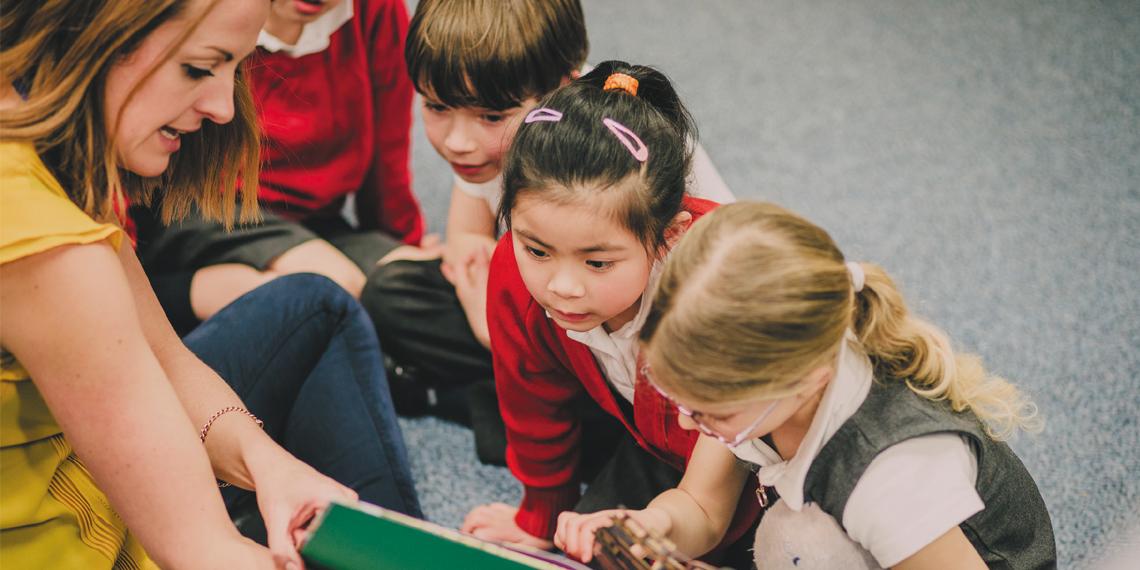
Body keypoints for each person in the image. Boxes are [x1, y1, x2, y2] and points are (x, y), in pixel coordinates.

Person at [0, 0, 417, 567]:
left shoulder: (27, 132)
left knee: (316, 304)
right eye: (199, 68)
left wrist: (270, 465)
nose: (224, 107)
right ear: (94, 31)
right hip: (89, 546)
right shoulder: (49, 250)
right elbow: (200, 552)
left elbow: (164, 361)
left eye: (237, 68)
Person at [554, 202, 1057, 569]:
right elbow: (703, 509)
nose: (687, 421)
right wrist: (654, 526)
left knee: (803, 538)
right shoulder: (767, 388)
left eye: (708, 410)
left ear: (803, 381)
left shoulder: (892, 474)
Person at [365, 0, 734, 439]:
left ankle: (533, 414)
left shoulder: (634, 137)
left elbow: (728, 267)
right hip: (557, 303)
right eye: (437, 107)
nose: (457, 142)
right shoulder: (486, 148)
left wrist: (499, 330)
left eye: (490, 116)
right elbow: (467, 235)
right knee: (391, 292)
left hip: (644, 331)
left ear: (563, 88)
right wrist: (480, 292)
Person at [458, 62, 760, 568]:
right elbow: (530, 397)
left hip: (765, 464)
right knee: (593, 550)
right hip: (658, 449)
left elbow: (710, 504)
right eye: (537, 250)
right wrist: (540, 516)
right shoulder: (513, 266)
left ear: (672, 235)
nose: (562, 286)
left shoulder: (726, 289)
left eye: (597, 262)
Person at [130, 0, 435, 337]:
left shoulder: (377, 12)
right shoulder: (220, 14)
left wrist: (403, 244)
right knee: (332, 287)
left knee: (419, 286)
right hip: (206, 206)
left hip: (315, 221)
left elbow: (388, 150)